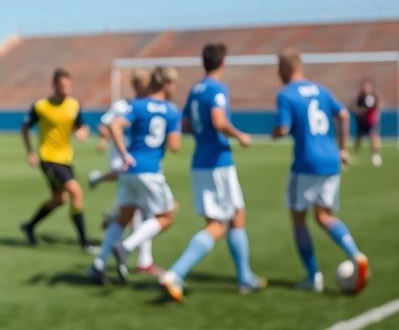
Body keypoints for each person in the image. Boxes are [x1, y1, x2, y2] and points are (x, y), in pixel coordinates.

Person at [159, 44, 266, 302]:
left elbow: (185, 125)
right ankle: (176, 273)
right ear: (223, 63)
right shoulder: (217, 89)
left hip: (200, 162)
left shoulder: (195, 90)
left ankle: (244, 278)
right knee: (222, 224)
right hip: (219, 162)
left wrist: (201, 132)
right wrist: (240, 135)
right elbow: (219, 121)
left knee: (234, 215)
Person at [272, 49, 370, 294]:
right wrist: (343, 149)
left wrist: (275, 132)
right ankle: (355, 254)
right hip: (331, 161)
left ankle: (313, 276)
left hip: (306, 163)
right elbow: (344, 115)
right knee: (324, 216)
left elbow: (283, 129)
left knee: (298, 220)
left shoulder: (286, 95)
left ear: (285, 68)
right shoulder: (321, 90)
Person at [89, 67, 181, 285]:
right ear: (166, 84)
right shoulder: (171, 110)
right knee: (167, 216)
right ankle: (126, 247)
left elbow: (112, 125)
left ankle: (99, 264)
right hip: (150, 171)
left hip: (128, 168)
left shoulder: (135, 106)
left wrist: (124, 153)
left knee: (124, 217)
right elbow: (175, 146)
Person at [19, 68, 94, 254]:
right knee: (76, 193)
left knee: (59, 200)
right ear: (54, 86)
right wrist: (30, 152)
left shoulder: (74, 104)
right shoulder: (40, 106)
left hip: (66, 159)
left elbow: (80, 126)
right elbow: (25, 128)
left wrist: (83, 131)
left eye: (68, 86)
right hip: (48, 158)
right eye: (62, 86)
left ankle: (29, 226)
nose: (65, 89)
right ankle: (84, 243)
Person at [351, 78, 383, 167]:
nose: (365, 88)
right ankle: (356, 153)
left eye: (367, 86)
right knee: (358, 137)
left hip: (371, 120)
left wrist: (361, 110)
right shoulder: (360, 97)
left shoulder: (372, 96)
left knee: (374, 136)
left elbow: (371, 107)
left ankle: (376, 155)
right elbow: (356, 107)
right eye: (364, 86)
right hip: (362, 121)